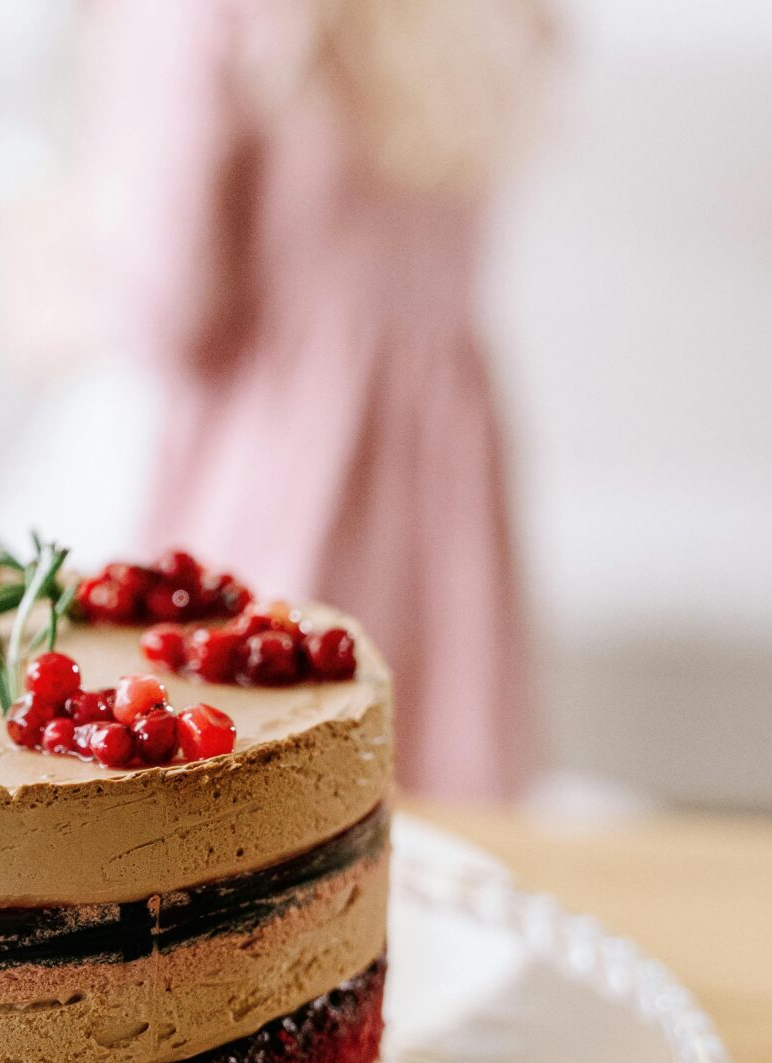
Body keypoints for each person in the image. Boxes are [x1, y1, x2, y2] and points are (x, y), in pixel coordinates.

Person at [84, 0, 549, 801]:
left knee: (252, 801)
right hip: (447, 465)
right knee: (438, 796)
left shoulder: (208, 16)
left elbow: (169, 309)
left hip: (279, 465)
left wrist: (53, 255)